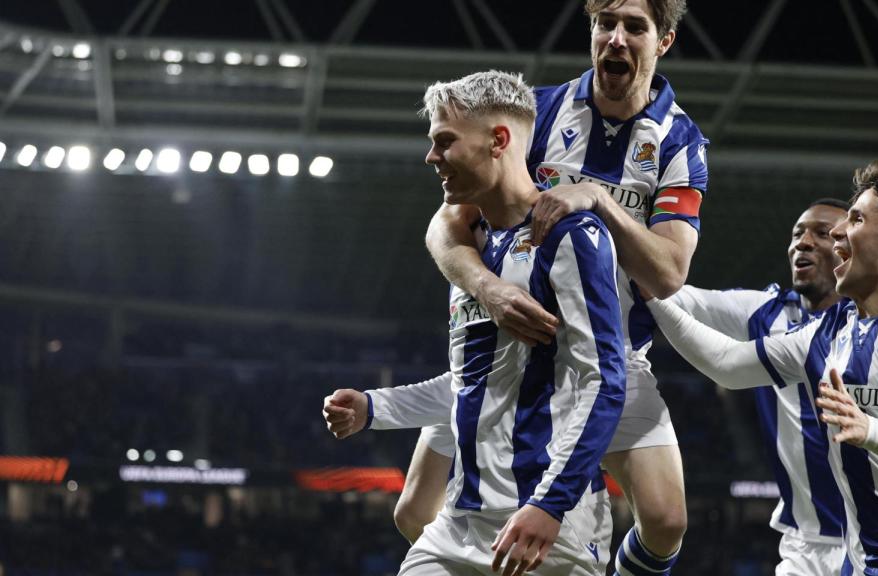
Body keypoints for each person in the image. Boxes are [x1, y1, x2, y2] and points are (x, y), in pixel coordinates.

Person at [411, 1, 708, 572]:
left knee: (667, 520)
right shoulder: (538, 113)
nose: (616, 39)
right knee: (413, 509)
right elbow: (445, 225)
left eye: (635, 27)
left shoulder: (679, 144)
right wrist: (487, 289)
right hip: (508, 351)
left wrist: (598, 200)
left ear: (663, 41)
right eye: (605, 24)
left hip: (609, 354)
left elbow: (669, 272)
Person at [325, 70, 626, 576]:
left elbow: (604, 381)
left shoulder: (573, 237)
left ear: (498, 141)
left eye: (445, 141)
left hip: (552, 524)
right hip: (459, 523)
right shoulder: (472, 253)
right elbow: (474, 384)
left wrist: (549, 505)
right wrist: (374, 407)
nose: (431, 157)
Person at [648, 161, 878, 575]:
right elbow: (727, 364)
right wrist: (650, 292)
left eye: (856, 219)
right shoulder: (830, 331)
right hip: (866, 566)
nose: (836, 233)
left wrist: (871, 431)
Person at [665, 198, 849, 575]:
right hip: (805, 545)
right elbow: (679, 298)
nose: (804, 242)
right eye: (797, 234)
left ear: (851, 251)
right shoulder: (765, 313)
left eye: (822, 233)